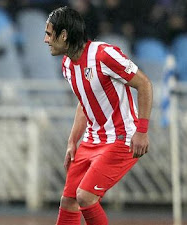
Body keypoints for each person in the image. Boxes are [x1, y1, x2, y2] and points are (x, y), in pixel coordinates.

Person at [43, 6, 153, 225]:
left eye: (48, 33)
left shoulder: (104, 54)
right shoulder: (66, 65)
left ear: (63, 35)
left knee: (85, 196)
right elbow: (85, 103)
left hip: (122, 139)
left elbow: (144, 84)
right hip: (92, 140)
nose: (45, 40)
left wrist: (142, 131)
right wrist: (72, 140)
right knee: (68, 200)